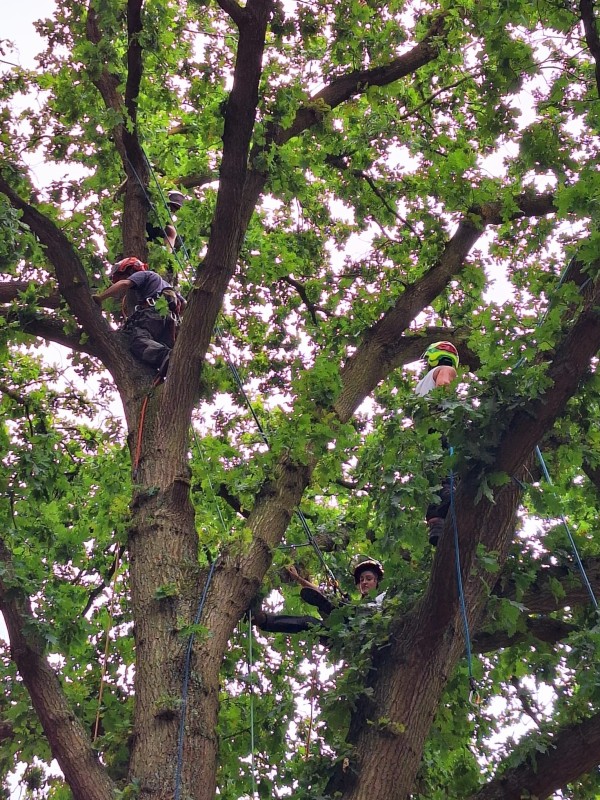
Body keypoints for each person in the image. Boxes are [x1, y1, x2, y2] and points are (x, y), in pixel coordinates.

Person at [92, 257, 186, 375]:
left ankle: (166, 356)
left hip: (153, 314)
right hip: (169, 324)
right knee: (156, 347)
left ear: (130, 270)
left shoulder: (143, 274)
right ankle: (169, 365)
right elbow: (184, 304)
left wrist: (100, 297)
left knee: (138, 341)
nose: (122, 279)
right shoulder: (166, 285)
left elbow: (124, 284)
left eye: (122, 276)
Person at [252, 559, 385, 635]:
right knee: (308, 622)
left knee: (343, 606)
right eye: (361, 580)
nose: (364, 582)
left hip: (361, 634)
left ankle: (327, 605)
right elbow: (320, 592)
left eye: (369, 579)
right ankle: (264, 621)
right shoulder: (352, 603)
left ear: (377, 582)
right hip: (340, 635)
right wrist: (298, 579)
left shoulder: (383, 598)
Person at [414, 340, 459, 546]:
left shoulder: (421, 384)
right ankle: (450, 497)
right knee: (449, 469)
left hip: (424, 434)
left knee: (434, 475)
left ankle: (436, 521)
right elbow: (443, 385)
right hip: (440, 422)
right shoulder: (446, 370)